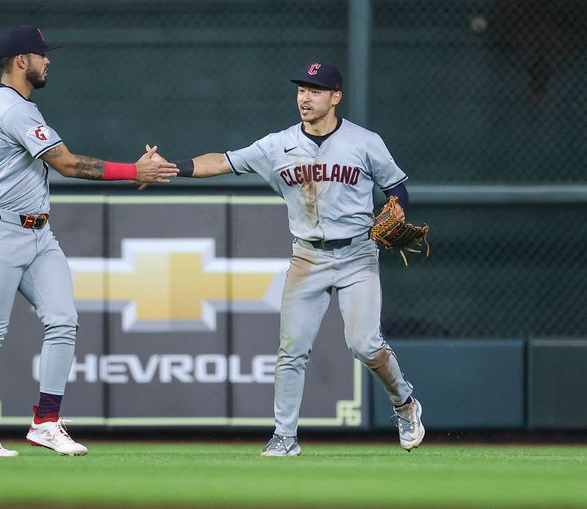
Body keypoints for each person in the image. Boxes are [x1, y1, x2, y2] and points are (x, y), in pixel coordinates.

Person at [152, 62, 424, 456]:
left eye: (315, 90)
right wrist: (173, 167)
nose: (305, 97)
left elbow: (396, 186)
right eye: (301, 89)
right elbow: (223, 161)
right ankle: (284, 436)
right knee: (292, 349)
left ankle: (405, 404)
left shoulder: (364, 141)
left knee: (364, 344)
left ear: (335, 97)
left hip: (357, 255)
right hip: (307, 256)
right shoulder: (276, 145)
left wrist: (399, 209)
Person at [0, 25, 177, 457]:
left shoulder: (5, 106)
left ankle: (47, 422)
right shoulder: (13, 110)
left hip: (38, 234)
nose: (48, 60)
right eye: (42, 55)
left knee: (63, 320)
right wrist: (136, 171)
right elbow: (68, 164)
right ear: (22, 61)